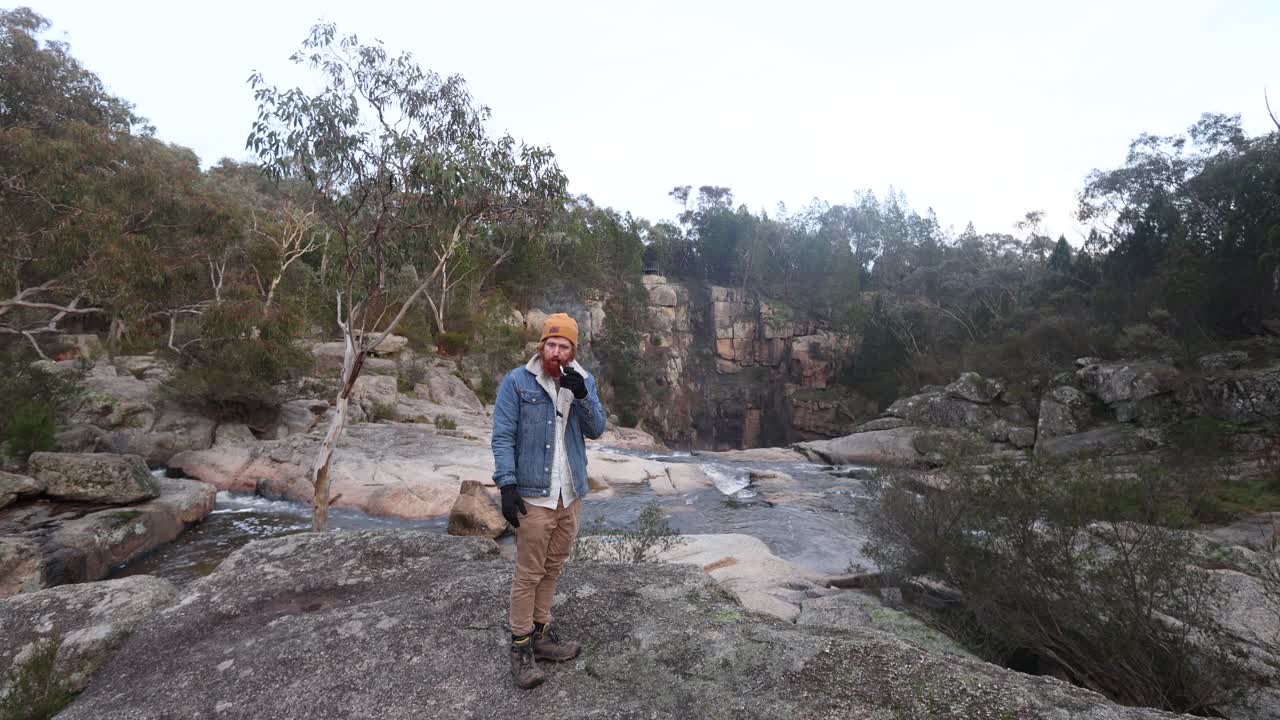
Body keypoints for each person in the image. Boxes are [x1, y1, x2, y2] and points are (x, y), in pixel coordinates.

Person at [491, 312, 607, 689]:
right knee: (528, 572)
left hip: (569, 495)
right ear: (541, 346)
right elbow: (503, 436)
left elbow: (597, 429)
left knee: (554, 567)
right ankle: (520, 649)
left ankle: (541, 635)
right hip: (534, 496)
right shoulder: (517, 381)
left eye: (564, 346)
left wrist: (583, 395)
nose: (556, 352)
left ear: (574, 351)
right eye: (551, 345)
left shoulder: (583, 381)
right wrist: (507, 485)